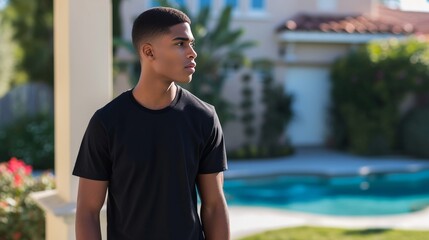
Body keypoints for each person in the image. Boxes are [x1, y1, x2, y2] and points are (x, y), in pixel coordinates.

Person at [73, 7, 230, 240]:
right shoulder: (106, 122)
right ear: (149, 52)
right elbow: (88, 212)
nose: (192, 53)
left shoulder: (204, 118)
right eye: (180, 43)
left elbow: (214, 206)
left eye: (191, 44)